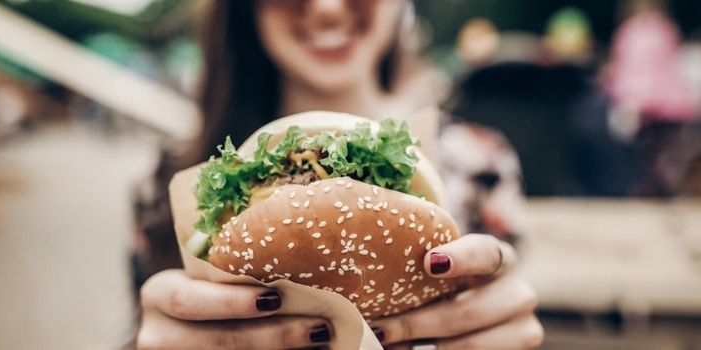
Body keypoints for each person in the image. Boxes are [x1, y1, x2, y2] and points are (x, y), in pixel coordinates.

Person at [136, 1, 543, 349]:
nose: (327, 7)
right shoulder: (165, 186)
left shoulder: (481, 163)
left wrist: (502, 324)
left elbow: (504, 310)